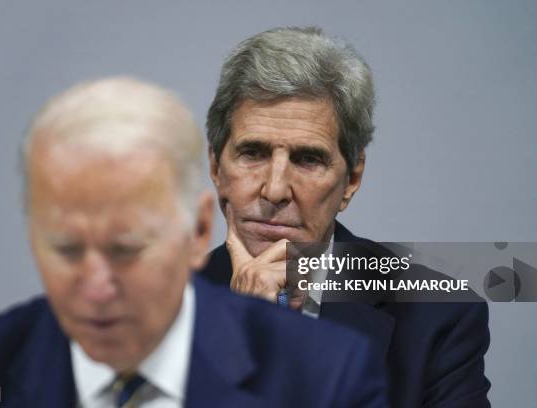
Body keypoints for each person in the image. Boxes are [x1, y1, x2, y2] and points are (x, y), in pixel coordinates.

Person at [0, 77, 389, 407]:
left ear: (197, 229)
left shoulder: (328, 373)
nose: (96, 286)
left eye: (126, 249)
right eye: (66, 248)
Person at [200, 26, 491, 407]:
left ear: (351, 179)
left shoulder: (439, 314)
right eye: (253, 153)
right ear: (217, 169)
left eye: (308, 159)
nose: (274, 190)